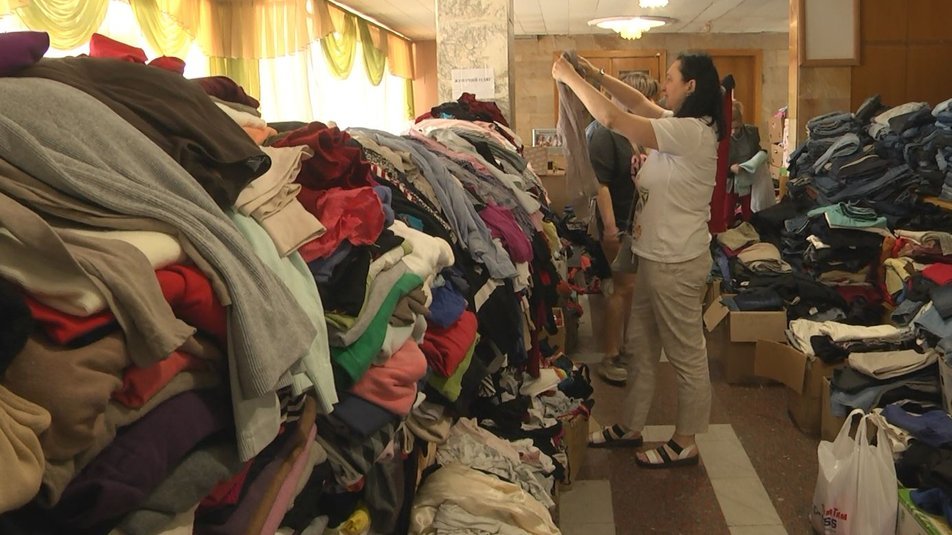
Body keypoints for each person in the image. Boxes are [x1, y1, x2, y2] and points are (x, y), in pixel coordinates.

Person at [552, 51, 725, 468]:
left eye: (671, 78)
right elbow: (638, 103)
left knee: (686, 354)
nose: (664, 85)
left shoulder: (693, 131)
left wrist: (571, 78)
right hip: (654, 257)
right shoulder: (679, 122)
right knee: (640, 348)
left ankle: (685, 441)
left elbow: (613, 118)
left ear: (691, 86)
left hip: (677, 262)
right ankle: (630, 426)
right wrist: (594, 73)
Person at [586, 72, 661, 385]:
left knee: (632, 289)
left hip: (635, 221)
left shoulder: (633, 131)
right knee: (621, 288)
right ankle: (610, 354)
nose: (648, 104)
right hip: (617, 219)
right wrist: (610, 227)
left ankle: (626, 347)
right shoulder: (604, 132)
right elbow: (600, 184)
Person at [728, 100, 775, 214]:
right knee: (727, 214)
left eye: (737, 128)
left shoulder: (751, 132)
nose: (733, 132)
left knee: (750, 212)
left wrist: (761, 156)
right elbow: (716, 162)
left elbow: (757, 151)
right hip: (729, 181)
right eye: (731, 128)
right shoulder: (720, 136)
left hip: (748, 178)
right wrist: (729, 168)